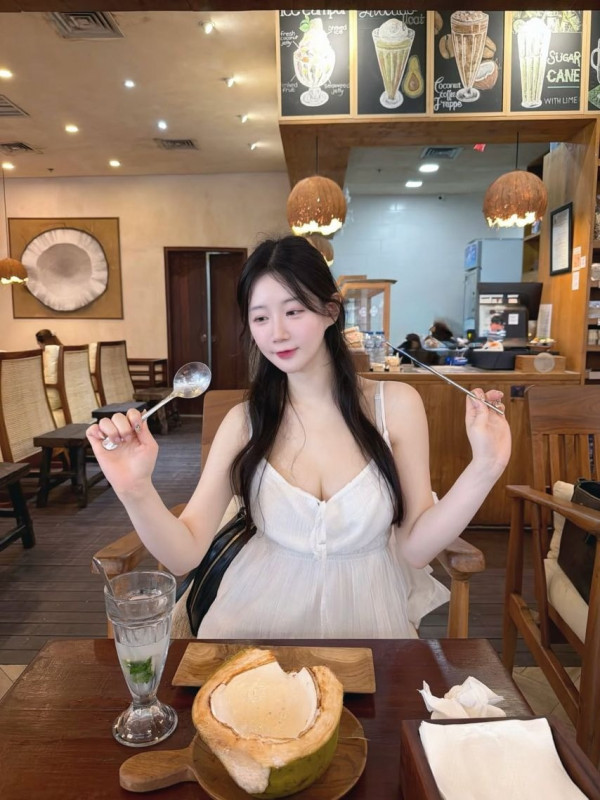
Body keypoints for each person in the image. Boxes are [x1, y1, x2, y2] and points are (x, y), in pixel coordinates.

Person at [86, 235, 511, 639]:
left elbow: (415, 549)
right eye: (260, 317)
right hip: (252, 628)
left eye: (293, 311)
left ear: (330, 310)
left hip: (368, 627)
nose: (277, 333)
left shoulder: (396, 406)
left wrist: (486, 467)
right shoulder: (243, 422)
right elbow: (185, 554)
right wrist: (135, 489)